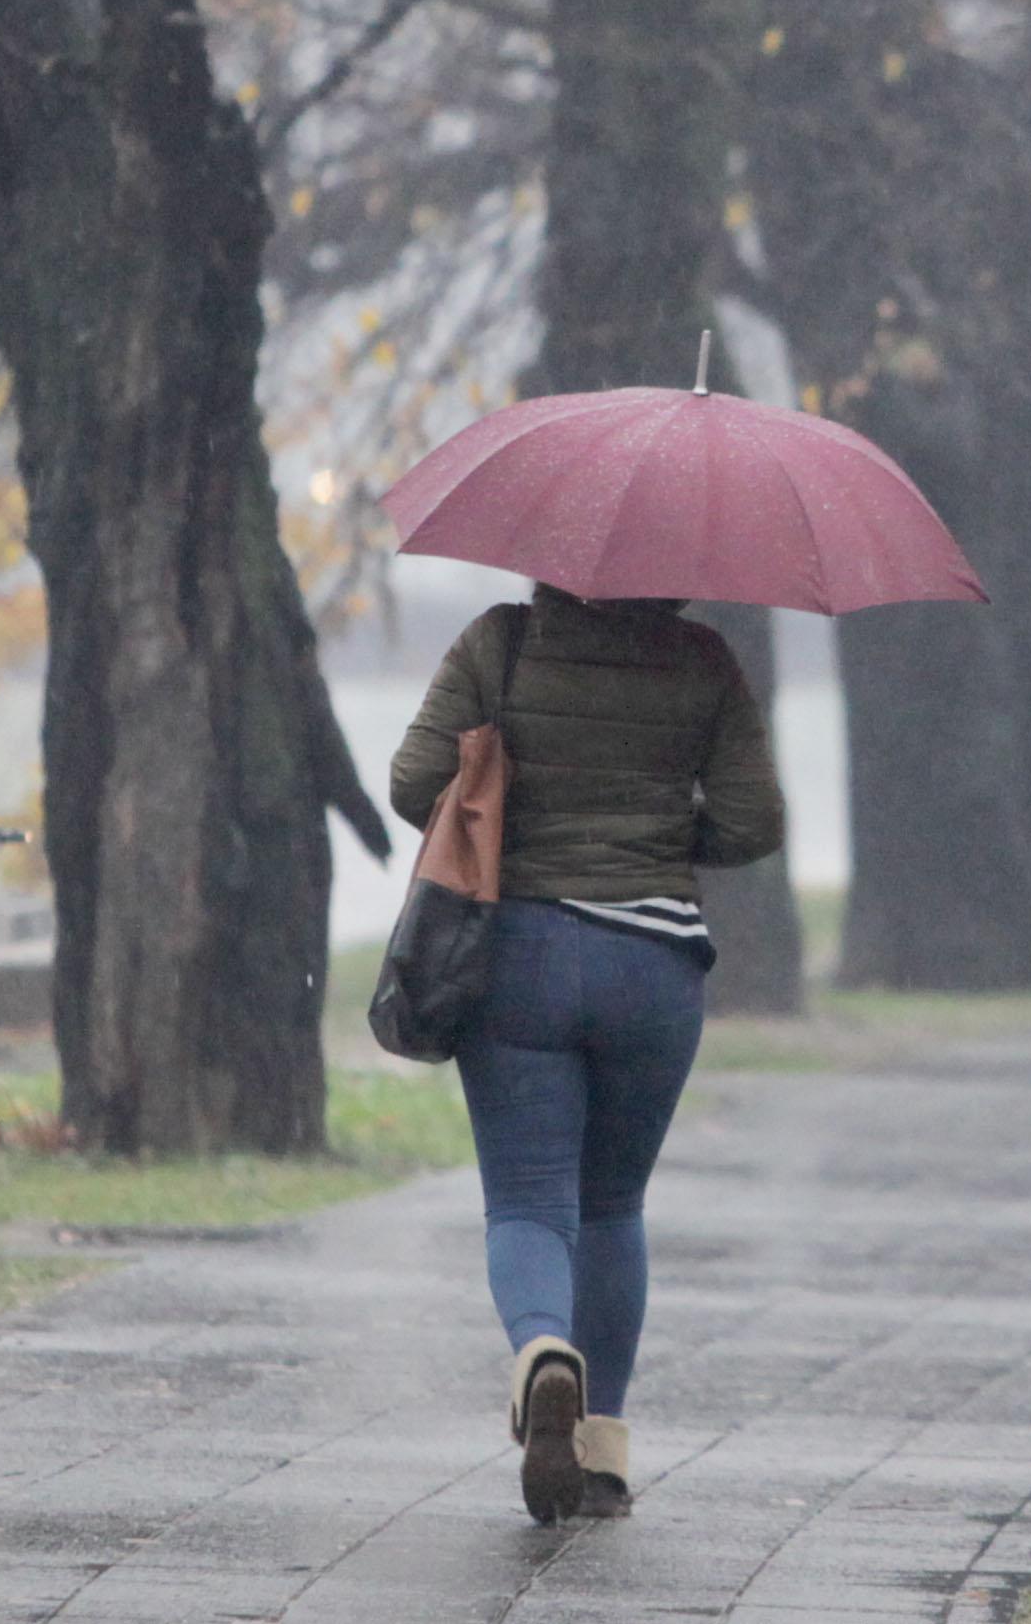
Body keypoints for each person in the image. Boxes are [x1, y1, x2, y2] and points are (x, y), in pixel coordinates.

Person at [391, 583, 785, 1525]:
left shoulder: (501, 644)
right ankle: (601, 1451)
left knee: (529, 1200)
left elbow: (414, 782)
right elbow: (753, 822)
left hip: (518, 954)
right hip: (653, 965)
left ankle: (540, 1352)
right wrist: (656, 832)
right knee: (613, 1205)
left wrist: (513, 814)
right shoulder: (705, 661)